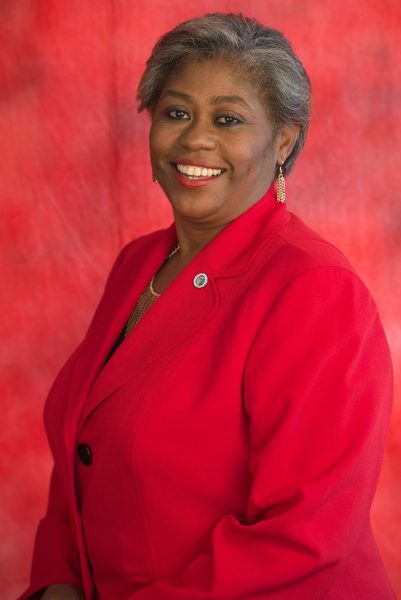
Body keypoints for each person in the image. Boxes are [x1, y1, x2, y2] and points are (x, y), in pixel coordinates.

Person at [20, 13, 395, 600]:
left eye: (228, 119)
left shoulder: (314, 290)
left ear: (285, 141)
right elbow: (83, 451)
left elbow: (303, 540)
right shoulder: (137, 264)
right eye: (176, 113)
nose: (196, 138)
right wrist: (58, 582)